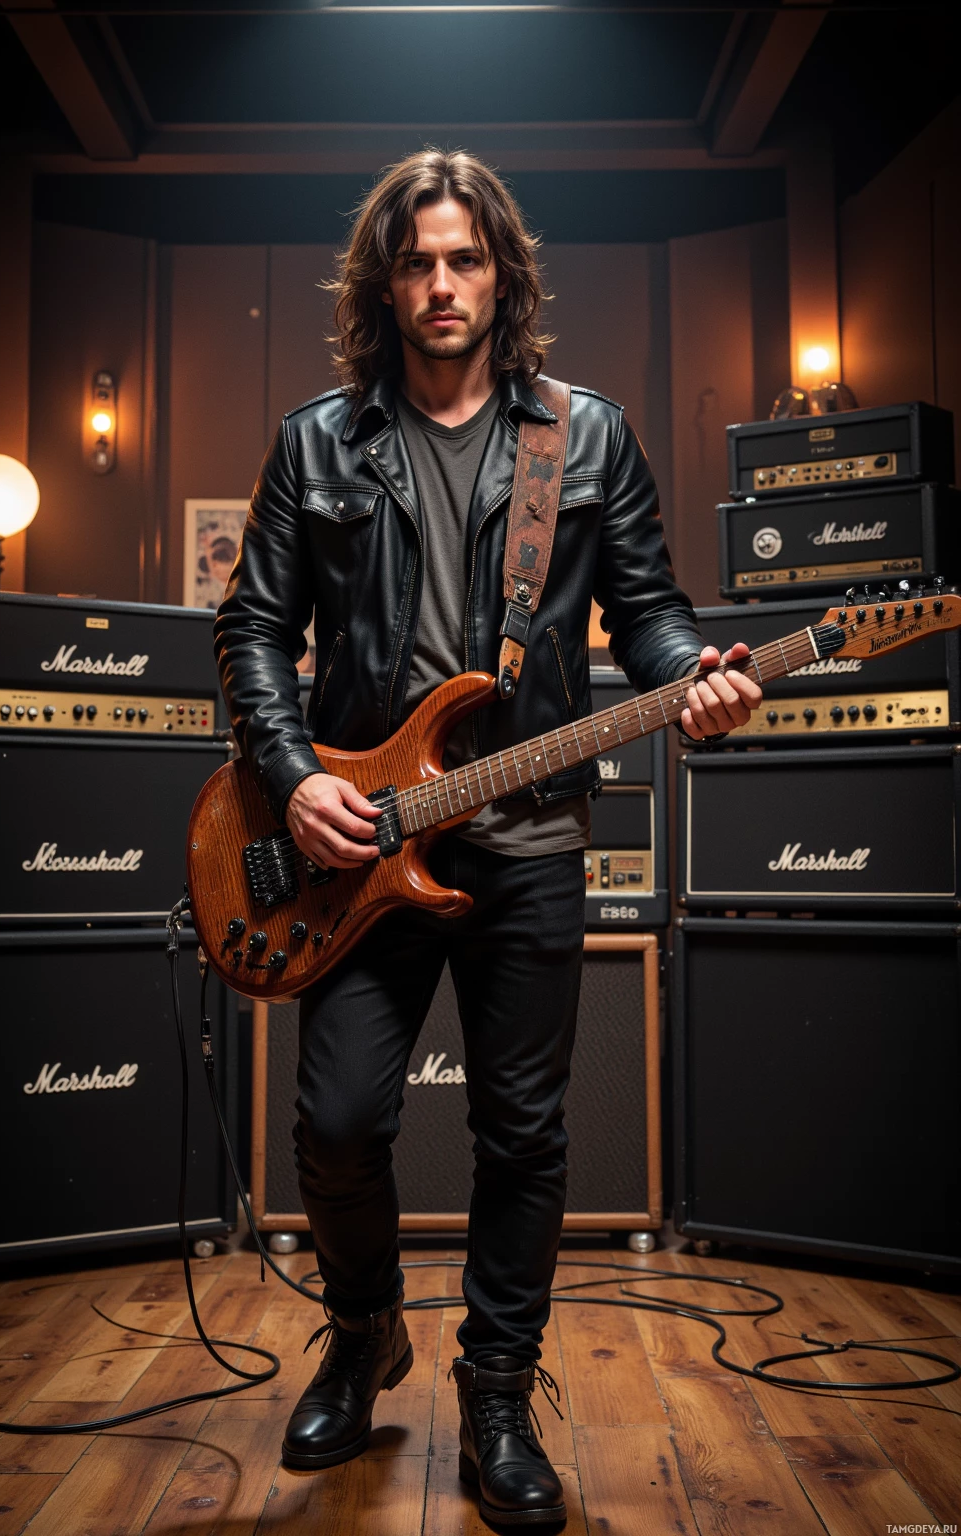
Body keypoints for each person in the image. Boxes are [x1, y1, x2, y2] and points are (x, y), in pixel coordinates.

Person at [215, 149, 762, 1529]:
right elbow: (254, 632)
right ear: (383, 281)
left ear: (501, 274)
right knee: (335, 1124)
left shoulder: (585, 437)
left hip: (524, 839)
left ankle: (503, 1393)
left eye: (465, 259)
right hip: (357, 841)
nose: (443, 284)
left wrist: (695, 671)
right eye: (418, 260)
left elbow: (647, 611)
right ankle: (364, 1335)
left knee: (523, 1134)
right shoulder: (315, 443)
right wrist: (288, 780)